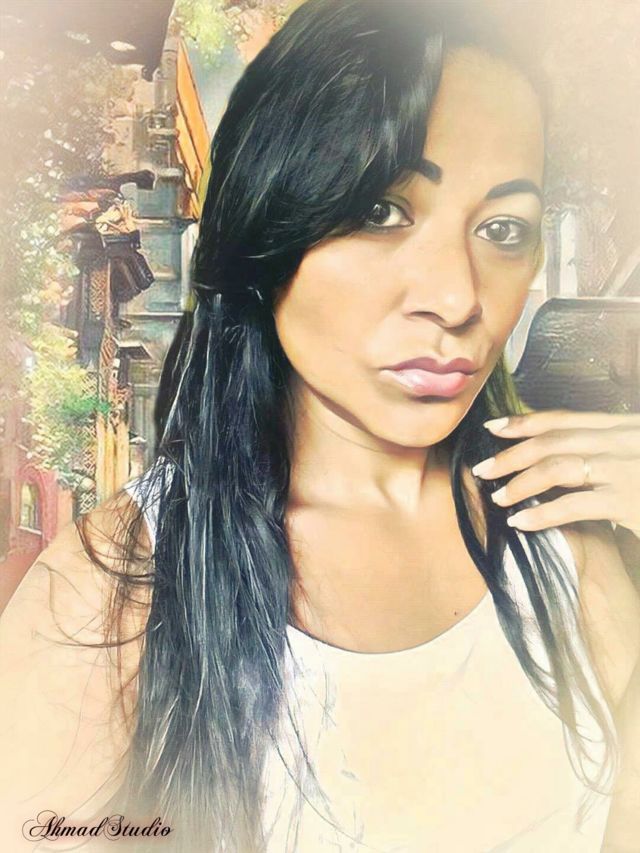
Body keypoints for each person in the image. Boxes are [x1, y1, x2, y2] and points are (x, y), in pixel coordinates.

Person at [1, 1, 639, 851]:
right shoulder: (112, 588)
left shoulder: (568, 544)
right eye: (381, 211)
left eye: (503, 229)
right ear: (267, 221)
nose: (458, 297)